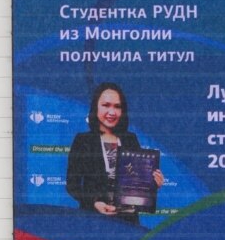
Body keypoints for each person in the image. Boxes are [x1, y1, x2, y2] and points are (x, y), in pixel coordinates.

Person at [65, 82, 164, 222]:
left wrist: (152, 184)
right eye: (106, 105)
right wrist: (94, 202)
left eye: (117, 107)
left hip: (127, 220)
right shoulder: (83, 140)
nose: (112, 112)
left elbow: (136, 180)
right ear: (95, 107)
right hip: (94, 219)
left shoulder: (131, 139)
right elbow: (72, 185)